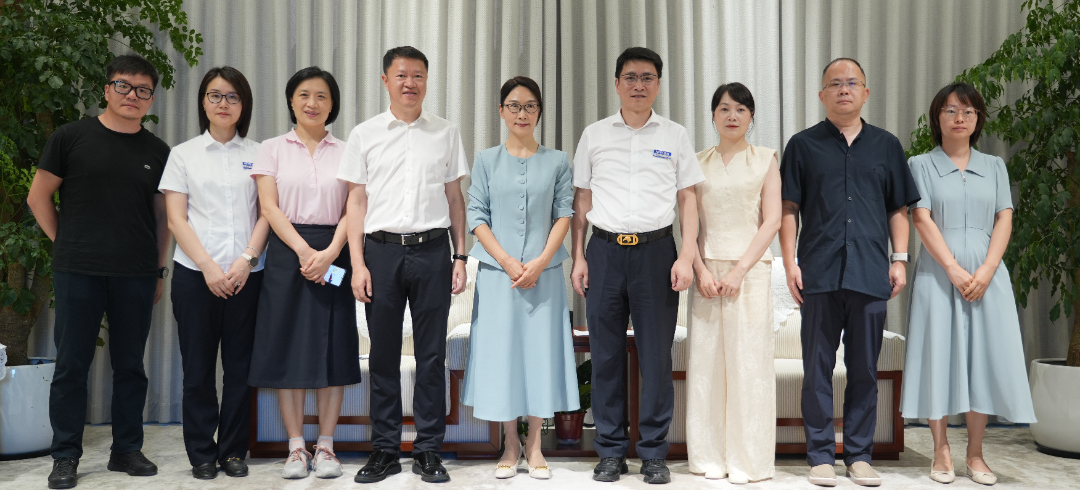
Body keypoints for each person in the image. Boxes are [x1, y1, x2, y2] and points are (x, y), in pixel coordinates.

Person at [27, 54, 172, 490]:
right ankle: (65, 456)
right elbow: (38, 197)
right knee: (72, 365)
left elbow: (162, 218)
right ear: (106, 89)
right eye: (123, 86)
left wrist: (158, 271)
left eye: (143, 90)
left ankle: (126, 449)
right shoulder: (71, 137)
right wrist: (66, 242)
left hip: (137, 273)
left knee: (130, 365)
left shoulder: (158, 151)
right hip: (79, 271)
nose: (132, 96)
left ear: (151, 99)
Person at [779, 57, 920, 487]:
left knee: (864, 371)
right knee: (817, 370)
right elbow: (788, 208)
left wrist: (899, 259)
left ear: (866, 92)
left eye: (852, 83)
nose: (844, 89)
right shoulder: (802, 145)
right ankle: (821, 456)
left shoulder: (886, 146)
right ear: (822, 95)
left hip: (870, 273)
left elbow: (898, 208)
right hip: (818, 274)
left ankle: (859, 455)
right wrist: (789, 262)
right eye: (835, 84)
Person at [570, 46, 704, 484]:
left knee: (656, 358)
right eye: (630, 77)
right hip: (605, 252)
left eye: (647, 78)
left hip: (657, 254)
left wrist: (686, 256)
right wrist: (579, 255)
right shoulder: (594, 135)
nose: (639, 85)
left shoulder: (675, 136)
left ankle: (653, 453)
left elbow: (688, 199)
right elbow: (582, 200)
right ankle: (610, 451)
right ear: (616, 84)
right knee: (606, 357)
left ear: (658, 85)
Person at [339, 46, 469, 484]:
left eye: (417, 75)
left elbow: (454, 198)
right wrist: (357, 264)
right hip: (381, 252)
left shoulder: (446, 132)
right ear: (385, 80)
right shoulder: (364, 134)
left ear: (426, 81)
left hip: (433, 251)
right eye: (401, 75)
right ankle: (385, 450)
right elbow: (356, 202)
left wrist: (460, 255)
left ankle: (429, 450)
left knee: (432, 356)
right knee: (383, 355)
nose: (409, 83)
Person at [901, 82, 1035, 486]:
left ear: (978, 119)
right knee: (938, 355)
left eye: (968, 111)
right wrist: (953, 269)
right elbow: (921, 218)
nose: (959, 118)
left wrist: (988, 269)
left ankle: (975, 453)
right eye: (950, 110)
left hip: (987, 277)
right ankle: (941, 449)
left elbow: (1004, 217)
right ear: (936, 117)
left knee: (983, 360)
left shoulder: (994, 166)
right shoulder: (920, 164)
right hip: (938, 274)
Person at [461, 76, 578, 480]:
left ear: (539, 112)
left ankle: (535, 445)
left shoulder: (558, 161)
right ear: (501, 111)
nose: (522, 113)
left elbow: (564, 213)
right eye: (513, 105)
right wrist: (507, 261)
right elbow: (476, 215)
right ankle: (511, 442)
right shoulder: (485, 160)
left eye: (529, 106)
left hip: (545, 276)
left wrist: (542, 261)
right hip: (499, 276)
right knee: (503, 356)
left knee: (540, 354)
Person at [247, 66, 360, 480]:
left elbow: (354, 208)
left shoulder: (347, 151)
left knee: (334, 346)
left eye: (322, 96)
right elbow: (269, 207)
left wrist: (329, 253)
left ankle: (326, 446)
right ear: (291, 101)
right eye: (304, 95)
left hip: (335, 254)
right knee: (287, 346)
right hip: (285, 255)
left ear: (333, 105)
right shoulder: (271, 148)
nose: (312, 103)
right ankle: (296, 447)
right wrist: (303, 251)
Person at [158, 66, 267, 480]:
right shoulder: (183, 154)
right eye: (215, 95)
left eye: (233, 96)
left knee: (240, 369)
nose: (224, 103)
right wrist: (207, 266)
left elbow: (267, 213)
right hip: (195, 276)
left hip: (247, 277)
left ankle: (234, 451)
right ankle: (202, 453)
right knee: (198, 370)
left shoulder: (259, 153)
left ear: (244, 105)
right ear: (203, 102)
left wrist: (246, 260)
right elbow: (176, 218)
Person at [686, 82, 781, 484]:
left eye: (741, 109)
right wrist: (700, 270)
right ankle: (708, 456)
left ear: (751, 116)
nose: (732, 116)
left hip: (750, 273)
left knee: (748, 365)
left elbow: (772, 220)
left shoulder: (766, 159)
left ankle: (748, 461)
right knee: (706, 366)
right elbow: (687, 225)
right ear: (712, 115)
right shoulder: (696, 162)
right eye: (724, 108)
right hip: (706, 274)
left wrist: (740, 270)